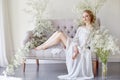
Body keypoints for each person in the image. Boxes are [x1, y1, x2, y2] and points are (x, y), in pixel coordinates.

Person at [35, 10, 96, 79]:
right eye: (83, 17)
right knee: (58, 33)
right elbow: (76, 39)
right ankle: (43, 45)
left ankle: (43, 46)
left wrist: (77, 49)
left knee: (60, 34)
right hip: (75, 45)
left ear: (90, 16)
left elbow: (89, 43)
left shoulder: (93, 30)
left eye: (86, 16)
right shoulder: (80, 28)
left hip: (81, 47)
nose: (84, 18)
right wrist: (75, 46)